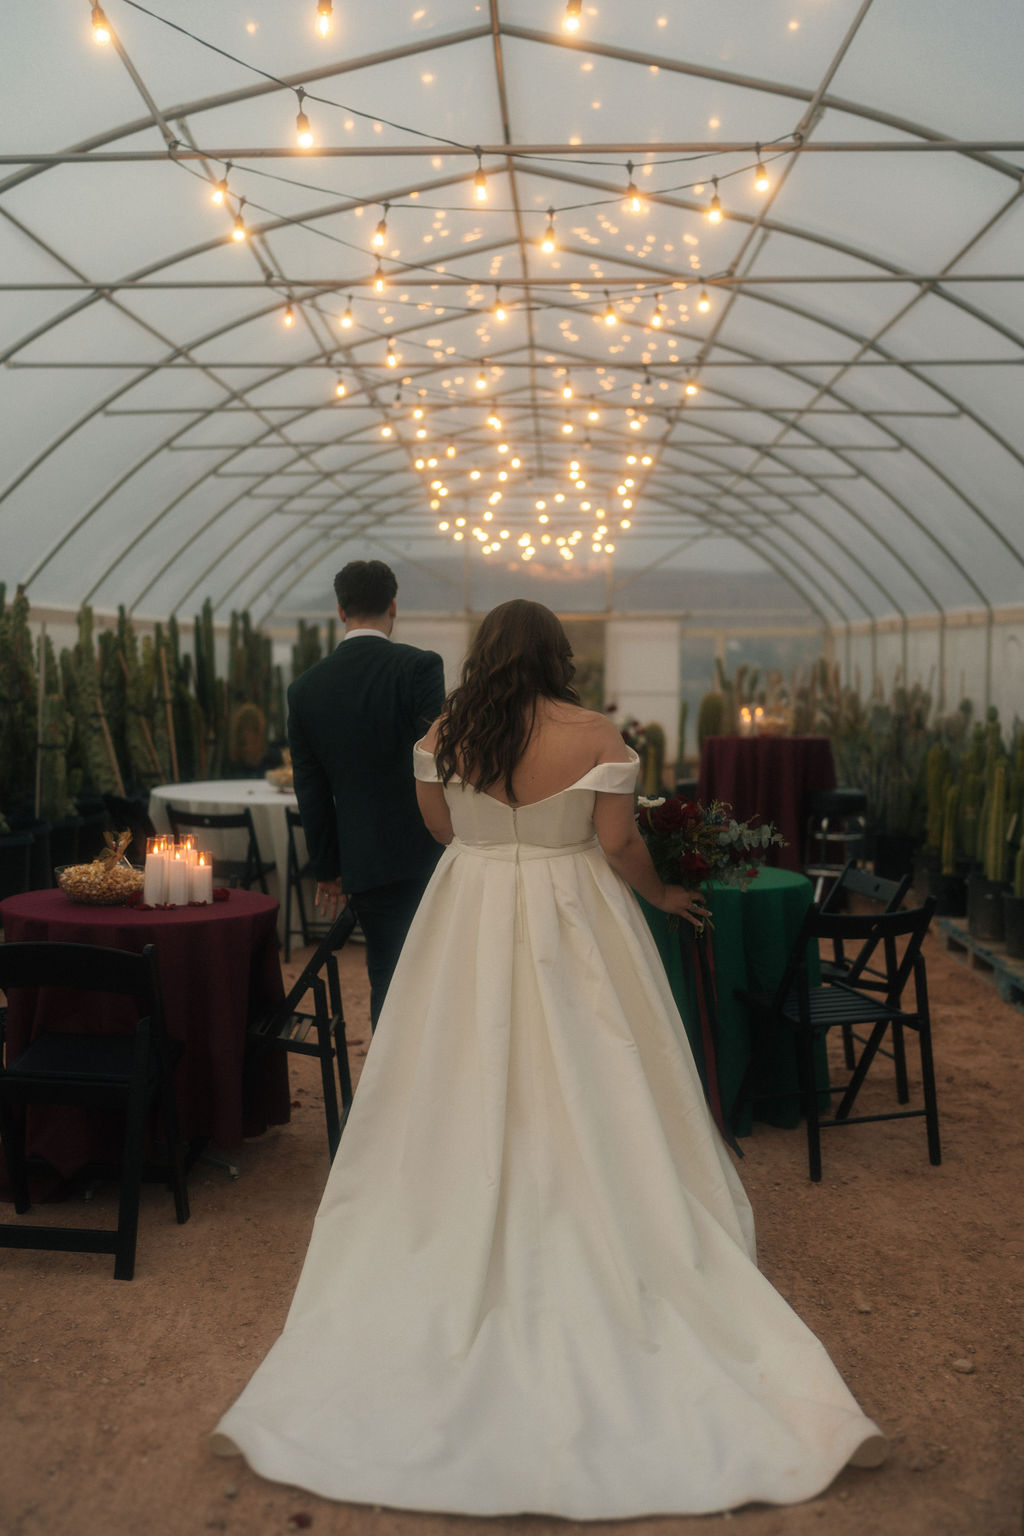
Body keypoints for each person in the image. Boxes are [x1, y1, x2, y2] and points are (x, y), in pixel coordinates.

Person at [212, 599, 886, 1519]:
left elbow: (441, 830)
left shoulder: (447, 731)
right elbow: (617, 842)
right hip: (578, 919)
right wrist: (666, 894)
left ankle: (462, 1201)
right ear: (557, 655)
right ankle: (605, 1201)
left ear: (484, 654)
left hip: (471, 914)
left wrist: (499, 848)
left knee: (457, 1067)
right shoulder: (595, 730)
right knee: (600, 1065)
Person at [286, 559, 444, 1027]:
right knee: (437, 974)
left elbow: (310, 789)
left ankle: (385, 1090)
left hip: (365, 862)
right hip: (431, 851)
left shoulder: (305, 689)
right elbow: (439, 759)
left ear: (340, 610)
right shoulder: (419, 667)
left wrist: (328, 869)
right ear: (393, 605)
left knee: (387, 975)